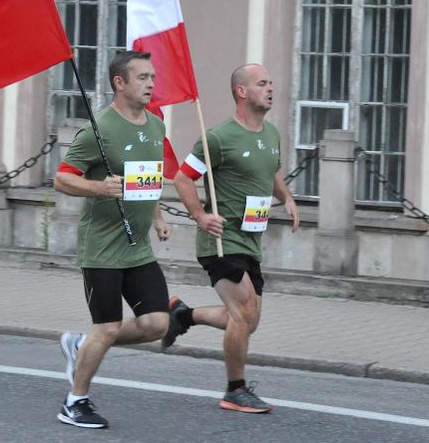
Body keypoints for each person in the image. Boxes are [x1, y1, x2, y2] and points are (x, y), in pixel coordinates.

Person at [167, 63, 299, 413]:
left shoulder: (271, 134)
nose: (271, 88)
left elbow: (269, 169)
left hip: (251, 239)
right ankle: (234, 389)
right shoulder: (218, 138)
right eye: (262, 83)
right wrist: (200, 216)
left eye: (272, 82)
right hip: (222, 240)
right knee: (243, 311)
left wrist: (286, 196)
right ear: (242, 91)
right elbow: (183, 178)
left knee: (247, 319)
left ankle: (183, 316)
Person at [53, 51, 172, 429]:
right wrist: (98, 188)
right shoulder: (98, 129)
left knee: (157, 324)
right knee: (106, 327)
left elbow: (147, 178)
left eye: (152, 77)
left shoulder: (156, 125)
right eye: (142, 78)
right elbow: (62, 178)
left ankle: (80, 346)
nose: (151, 84)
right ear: (119, 83)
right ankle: (75, 401)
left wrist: (157, 215)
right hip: (102, 248)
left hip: (138, 248)